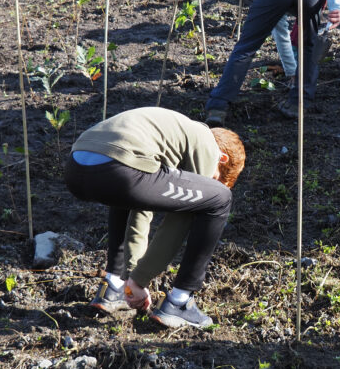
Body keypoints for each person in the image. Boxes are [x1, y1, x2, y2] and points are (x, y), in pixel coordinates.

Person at [65, 108, 245, 329]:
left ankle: (115, 286)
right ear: (222, 158)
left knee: (124, 187)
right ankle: (179, 303)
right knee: (220, 197)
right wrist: (141, 279)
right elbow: (181, 216)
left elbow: (141, 202)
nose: (208, 183)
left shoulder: (173, 136)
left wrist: (132, 282)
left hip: (76, 168)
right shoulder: (207, 144)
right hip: (120, 170)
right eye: (216, 177)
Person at [205, 0, 340, 124]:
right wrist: (336, 8)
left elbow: (280, 33)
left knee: (246, 47)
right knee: (309, 47)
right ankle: (298, 103)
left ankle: (218, 107)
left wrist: (290, 70)